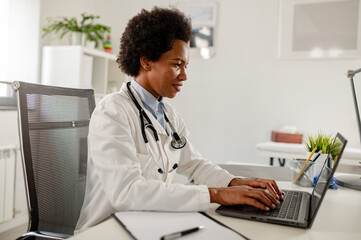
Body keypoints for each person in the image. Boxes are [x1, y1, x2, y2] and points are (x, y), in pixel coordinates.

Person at [75, 7, 283, 232]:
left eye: (185, 66)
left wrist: (234, 183)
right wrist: (217, 194)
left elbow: (194, 164)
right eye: (177, 64)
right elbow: (127, 193)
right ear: (146, 61)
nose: (184, 75)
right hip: (108, 229)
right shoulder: (113, 112)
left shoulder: (168, 114)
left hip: (148, 223)